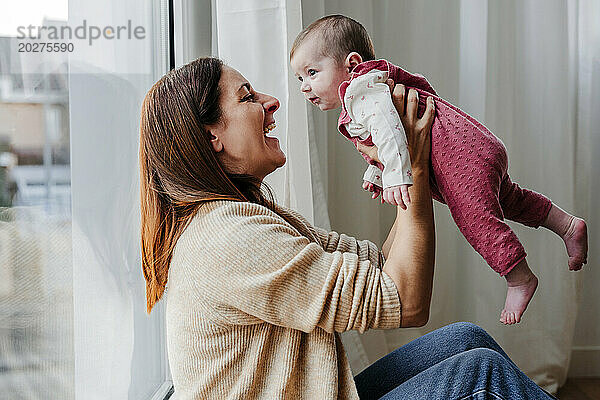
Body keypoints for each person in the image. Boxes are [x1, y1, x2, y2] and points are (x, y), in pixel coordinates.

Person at [139, 57, 556, 399]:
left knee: (466, 340)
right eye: (247, 96)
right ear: (211, 134)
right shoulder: (230, 239)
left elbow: (381, 266)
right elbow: (406, 302)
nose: (271, 102)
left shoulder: (244, 217)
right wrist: (409, 165)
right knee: (479, 373)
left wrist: (395, 166)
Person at [289, 14, 588, 325]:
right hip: (473, 146)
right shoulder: (373, 84)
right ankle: (566, 225)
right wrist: (378, 173)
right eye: (300, 79)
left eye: (312, 73)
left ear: (351, 65)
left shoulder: (360, 90)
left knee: (475, 219)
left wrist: (394, 175)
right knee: (510, 198)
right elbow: (395, 139)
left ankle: (518, 276)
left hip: (460, 156)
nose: (305, 87)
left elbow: (390, 131)